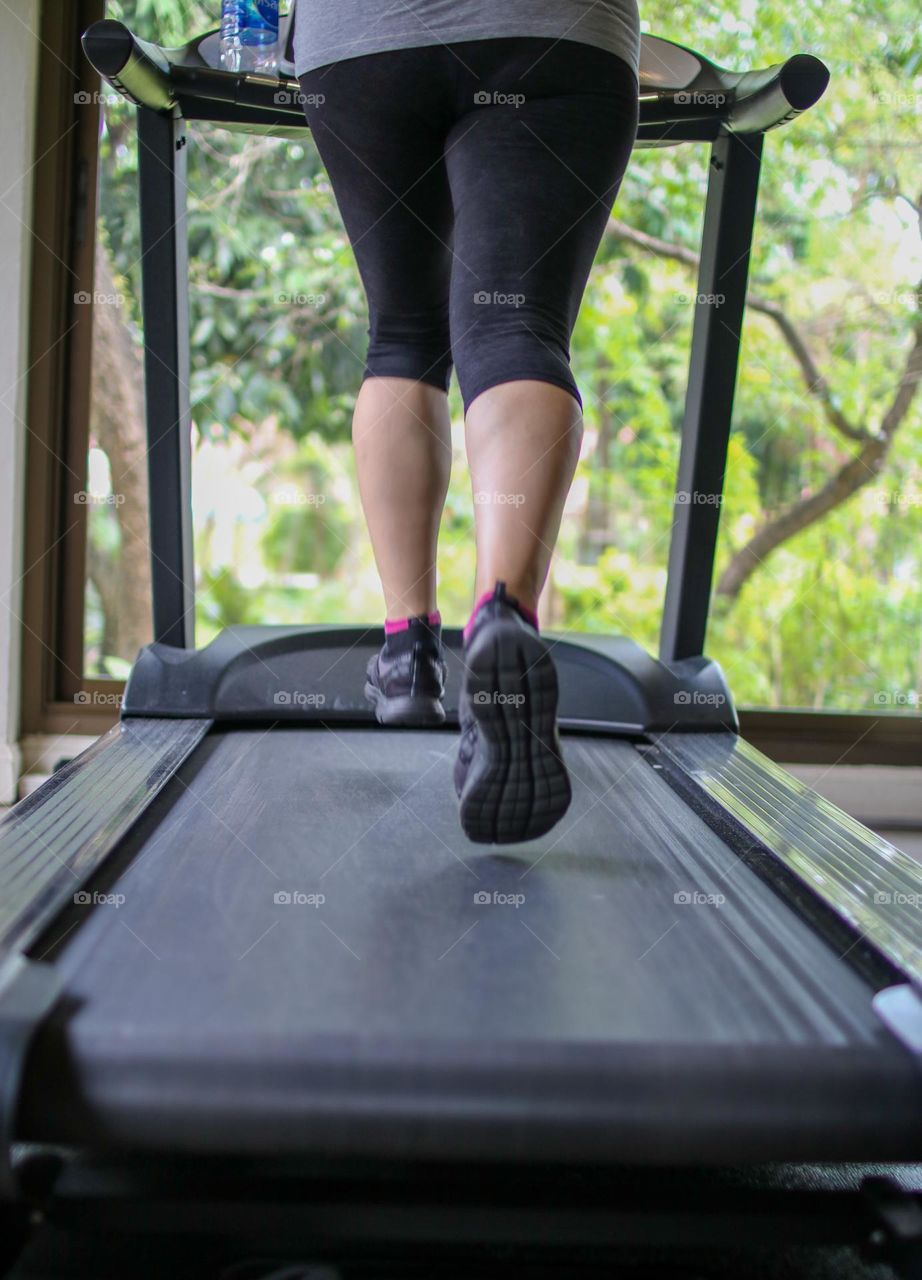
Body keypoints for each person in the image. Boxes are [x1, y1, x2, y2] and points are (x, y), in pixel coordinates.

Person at [293, 0, 640, 845]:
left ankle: (408, 652)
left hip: (363, 45)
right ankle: (501, 612)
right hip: (552, 31)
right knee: (515, 327)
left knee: (403, 335)